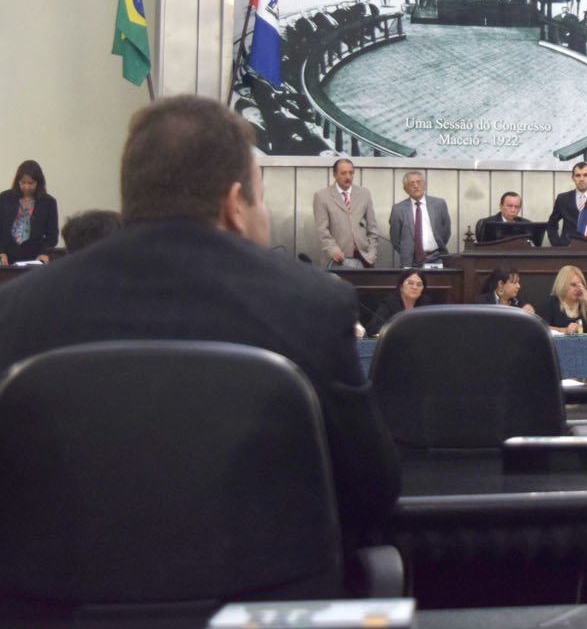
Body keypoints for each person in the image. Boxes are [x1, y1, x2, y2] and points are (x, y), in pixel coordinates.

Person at [0, 95, 398, 528]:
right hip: (265, 585)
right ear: (234, 205)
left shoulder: (19, 309)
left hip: (64, 589)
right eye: (260, 200)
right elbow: (371, 489)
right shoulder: (313, 305)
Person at [313, 157, 378, 268]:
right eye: (343, 173)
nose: (348, 177)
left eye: (351, 173)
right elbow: (322, 230)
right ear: (334, 175)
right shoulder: (322, 196)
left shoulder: (364, 193)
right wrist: (334, 251)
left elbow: (373, 228)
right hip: (337, 259)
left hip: (364, 258)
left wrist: (372, 254)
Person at [0, 160, 59, 264]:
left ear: (38, 182)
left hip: (34, 258)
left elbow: (52, 236)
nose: (26, 187)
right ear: (17, 181)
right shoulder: (5, 198)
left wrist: (43, 252)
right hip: (6, 258)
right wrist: (1, 251)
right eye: (23, 183)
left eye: (31, 183)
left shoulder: (48, 202)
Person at [389, 170, 451, 267]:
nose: (416, 186)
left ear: (425, 185)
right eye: (411, 183)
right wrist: (408, 252)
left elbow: (446, 231)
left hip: (436, 258)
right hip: (410, 262)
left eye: (419, 182)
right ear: (405, 189)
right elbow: (395, 239)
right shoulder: (398, 209)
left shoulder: (439, 204)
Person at [538, 264, 587, 333]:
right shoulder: (550, 303)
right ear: (563, 284)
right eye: (573, 285)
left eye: (580, 285)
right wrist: (564, 330)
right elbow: (541, 327)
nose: (577, 289)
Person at [368, 269, 434, 335]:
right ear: (401, 286)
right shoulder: (389, 303)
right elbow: (374, 329)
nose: (414, 287)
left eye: (419, 284)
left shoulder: (425, 304)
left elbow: (430, 328)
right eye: (410, 283)